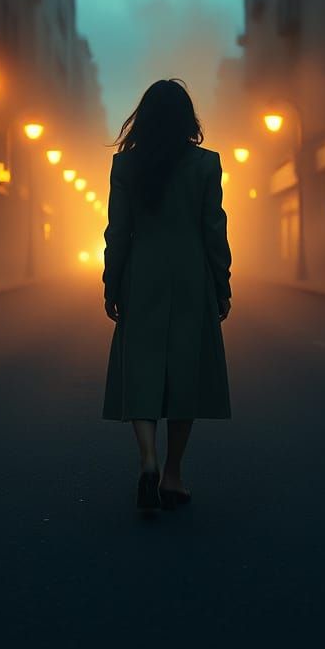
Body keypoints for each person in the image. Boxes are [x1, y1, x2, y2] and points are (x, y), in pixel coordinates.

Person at [100, 79, 232, 513]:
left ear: (143, 119)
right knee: (184, 371)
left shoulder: (125, 166)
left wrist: (112, 283)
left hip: (143, 276)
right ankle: (173, 475)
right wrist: (221, 283)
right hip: (192, 277)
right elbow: (214, 230)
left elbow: (118, 232)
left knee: (141, 367)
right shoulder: (206, 164)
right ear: (187, 119)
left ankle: (148, 459)